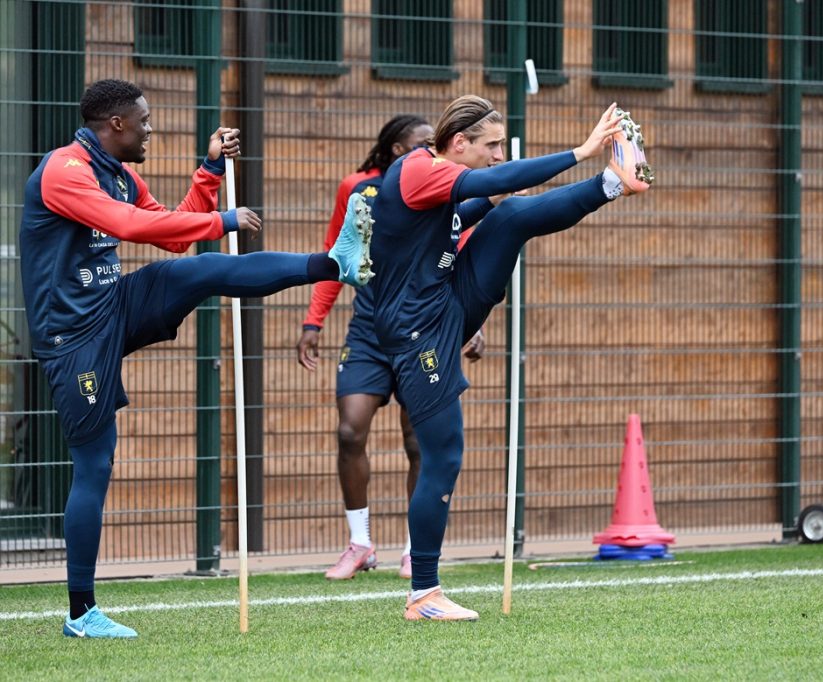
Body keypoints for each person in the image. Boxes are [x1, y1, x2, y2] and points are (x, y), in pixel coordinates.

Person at [19, 79, 372, 638]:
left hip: (113, 304)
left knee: (199, 269)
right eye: (144, 121)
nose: (150, 129)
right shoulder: (65, 171)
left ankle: (334, 264)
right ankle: (81, 614)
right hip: (73, 335)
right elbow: (131, 226)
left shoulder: (119, 173)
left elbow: (173, 234)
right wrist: (223, 221)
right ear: (116, 124)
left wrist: (208, 173)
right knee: (95, 465)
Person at [368, 96, 651, 620]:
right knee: (443, 456)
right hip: (416, 330)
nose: (499, 155)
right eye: (492, 146)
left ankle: (614, 184)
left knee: (513, 213)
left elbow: (470, 208)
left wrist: (498, 196)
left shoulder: (441, 176)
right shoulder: (418, 170)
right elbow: (490, 182)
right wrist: (582, 150)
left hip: (447, 300)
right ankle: (422, 594)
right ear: (459, 144)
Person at [296, 115, 485, 581]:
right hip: (369, 329)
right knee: (349, 431)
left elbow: (460, 257)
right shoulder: (358, 189)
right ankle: (359, 544)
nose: (432, 150)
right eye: (423, 143)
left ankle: (414, 550)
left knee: (418, 441)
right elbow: (338, 251)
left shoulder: (446, 188)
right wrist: (313, 320)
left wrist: (471, 322)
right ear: (398, 150)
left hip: (424, 330)